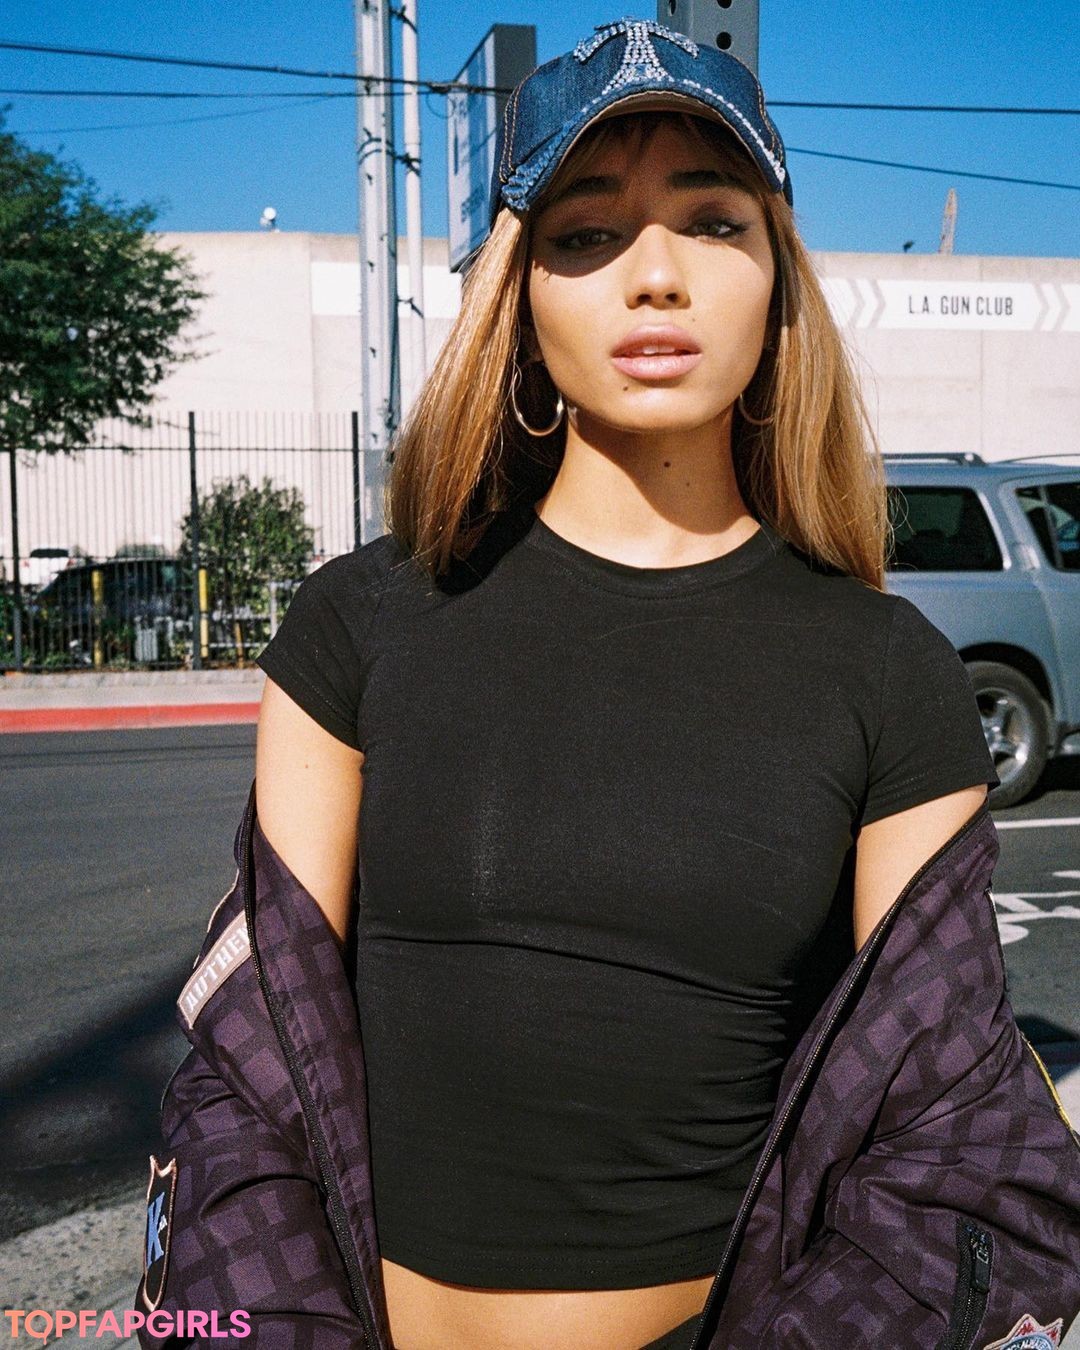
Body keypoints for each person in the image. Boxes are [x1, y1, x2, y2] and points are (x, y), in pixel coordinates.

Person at [251, 19, 1001, 1350]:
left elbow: (941, 1136)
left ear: (777, 280)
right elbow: (255, 1078)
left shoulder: (891, 674)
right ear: (521, 298)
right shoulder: (355, 625)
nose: (655, 277)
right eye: (588, 233)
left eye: (712, 222)